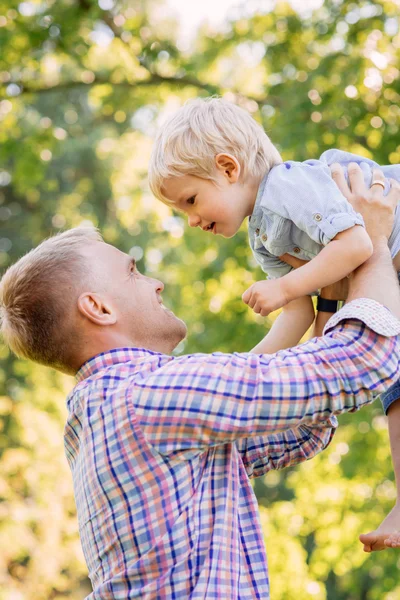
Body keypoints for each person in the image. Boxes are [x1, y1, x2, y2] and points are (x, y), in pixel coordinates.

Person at [0, 169, 399, 599]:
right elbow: (364, 359)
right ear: (98, 307)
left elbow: (302, 427)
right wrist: (373, 245)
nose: (156, 282)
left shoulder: (100, 419)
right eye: (132, 272)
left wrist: (330, 296)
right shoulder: (146, 396)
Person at [148, 97, 400, 550]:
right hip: (392, 279)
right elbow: (301, 312)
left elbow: (356, 244)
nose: (190, 220)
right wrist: (247, 369)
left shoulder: (286, 185)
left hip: (389, 248)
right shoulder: (262, 237)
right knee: (395, 386)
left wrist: (283, 289)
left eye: (191, 200)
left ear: (228, 168)